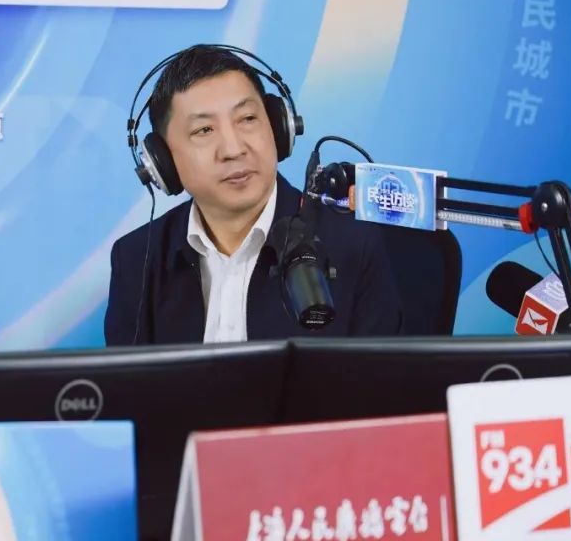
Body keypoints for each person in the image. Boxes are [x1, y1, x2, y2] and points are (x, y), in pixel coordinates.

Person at [105, 44, 402, 346]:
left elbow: (380, 373)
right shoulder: (136, 259)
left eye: (247, 119)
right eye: (204, 130)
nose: (234, 149)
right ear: (162, 161)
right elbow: (127, 377)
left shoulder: (353, 244)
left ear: (279, 127)